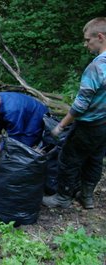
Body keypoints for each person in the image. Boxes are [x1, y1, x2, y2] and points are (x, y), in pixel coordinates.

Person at [42, 17, 106, 209]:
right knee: (95, 159)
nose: (86, 44)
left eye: (88, 40)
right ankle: (86, 197)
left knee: (68, 158)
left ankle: (62, 198)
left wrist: (61, 126)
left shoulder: (96, 68)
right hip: (104, 125)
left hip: (89, 125)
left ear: (100, 37)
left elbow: (80, 106)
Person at [0, 88, 49, 157]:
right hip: (24, 110)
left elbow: (15, 136)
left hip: (36, 115)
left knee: (25, 143)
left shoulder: (11, 111)